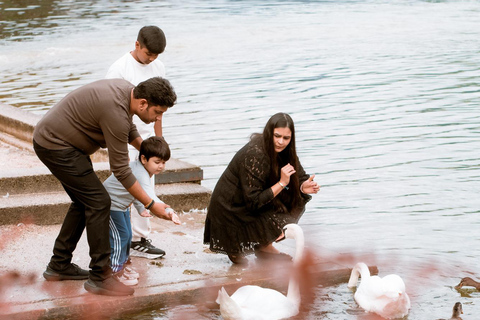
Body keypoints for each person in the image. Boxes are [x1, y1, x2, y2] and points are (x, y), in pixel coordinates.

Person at [33, 76, 177, 296]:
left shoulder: (128, 93)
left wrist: (149, 151)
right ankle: (100, 276)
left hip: (63, 144)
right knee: (99, 202)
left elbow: (128, 129)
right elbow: (120, 170)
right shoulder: (116, 112)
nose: (158, 118)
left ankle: (59, 264)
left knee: (85, 201)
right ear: (142, 104)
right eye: (158, 112)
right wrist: (149, 203)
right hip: (56, 145)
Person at [203, 112, 320, 264]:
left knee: (291, 201)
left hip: (252, 201)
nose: (280, 142)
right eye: (276, 136)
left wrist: (304, 186)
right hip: (231, 208)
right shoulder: (255, 153)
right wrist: (282, 183)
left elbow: (300, 176)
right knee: (240, 261)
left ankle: (264, 246)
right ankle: (242, 246)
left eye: (286, 138)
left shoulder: (287, 151)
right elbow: (253, 201)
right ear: (268, 133)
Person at [106, 25, 168, 259]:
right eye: (148, 54)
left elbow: (161, 107)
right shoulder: (119, 69)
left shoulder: (158, 66)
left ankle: (139, 238)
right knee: (130, 186)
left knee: (147, 185)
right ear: (137, 45)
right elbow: (112, 110)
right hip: (123, 134)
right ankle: (133, 239)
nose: (152, 59)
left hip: (147, 138)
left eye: (156, 56)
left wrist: (159, 140)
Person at [104, 136, 181, 286]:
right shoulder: (140, 172)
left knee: (128, 235)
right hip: (111, 205)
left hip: (122, 205)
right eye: (157, 162)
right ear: (144, 159)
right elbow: (150, 197)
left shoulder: (142, 170)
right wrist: (170, 211)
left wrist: (140, 208)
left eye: (164, 162)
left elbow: (138, 192)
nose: (161, 166)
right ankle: (114, 272)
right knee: (121, 237)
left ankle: (123, 267)